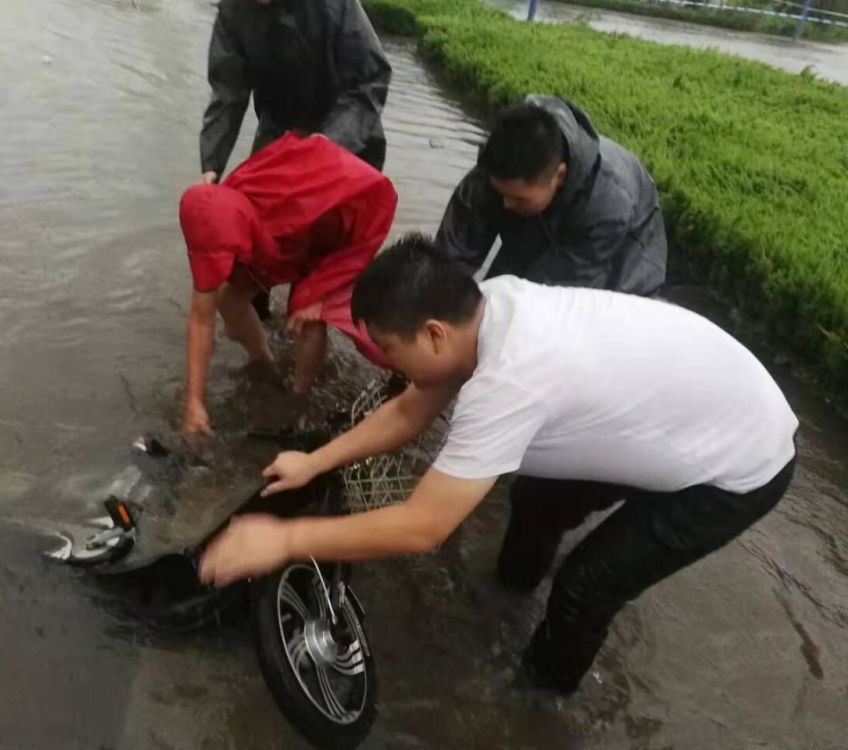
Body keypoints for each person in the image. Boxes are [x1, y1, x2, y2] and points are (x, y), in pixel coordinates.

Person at [198, 234, 798, 695]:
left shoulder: (509, 379)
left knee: (584, 587)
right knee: (536, 500)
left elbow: (423, 528)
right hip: (679, 412)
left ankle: (538, 701)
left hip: (739, 464)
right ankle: (508, 597)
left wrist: (283, 540)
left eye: (393, 352)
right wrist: (314, 462)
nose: (394, 368)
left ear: (433, 333)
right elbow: (410, 411)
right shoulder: (492, 304)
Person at [179, 133, 397, 436]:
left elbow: (365, 225)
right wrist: (194, 401)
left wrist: (317, 295)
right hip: (272, 232)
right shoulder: (215, 212)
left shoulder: (308, 207)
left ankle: (299, 396)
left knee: (308, 316)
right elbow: (201, 316)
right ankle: (263, 361)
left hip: (333, 233)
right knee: (227, 298)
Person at [436, 96, 667, 296]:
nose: (506, 203)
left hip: (622, 258)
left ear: (559, 175)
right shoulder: (491, 169)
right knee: (490, 299)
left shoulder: (610, 201)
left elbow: (558, 295)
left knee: (562, 325)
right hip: (539, 222)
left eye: (519, 198)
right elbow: (448, 262)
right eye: (501, 194)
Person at [200, 0, 391, 181]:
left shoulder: (333, 4)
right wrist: (211, 165)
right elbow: (228, 91)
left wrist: (331, 139)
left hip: (350, 132)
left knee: (334, 211)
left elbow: (372, 78)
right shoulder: (233, 10)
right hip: (279, 128)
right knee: (257, 203)